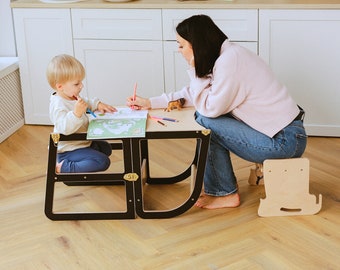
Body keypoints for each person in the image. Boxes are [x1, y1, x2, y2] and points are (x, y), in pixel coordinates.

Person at [126, 15, 307, 209]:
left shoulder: (231, 61)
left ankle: (224, 193)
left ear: (196, 45)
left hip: (284, 141)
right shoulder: (226, 57)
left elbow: (210, 109)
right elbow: (193, 94)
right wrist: (150, 102)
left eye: (181, 45)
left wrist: (194, 70)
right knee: (204, 118)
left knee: (205, 121)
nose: (179, 51)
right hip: (282, 134)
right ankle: (221, 188)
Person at [47, 54, 117, 173]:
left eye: (81, 82)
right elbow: (64, 128)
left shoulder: (71, 95)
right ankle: (63, 167)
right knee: (103, 161)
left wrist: (98, 104)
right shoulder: (58, 105)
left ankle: (83, 158)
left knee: (105, 148)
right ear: (60, 86)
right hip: (68, 150)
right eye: (76, 84)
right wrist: (76, 114)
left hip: (81, 143)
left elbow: (86, 102)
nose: (81, 86)